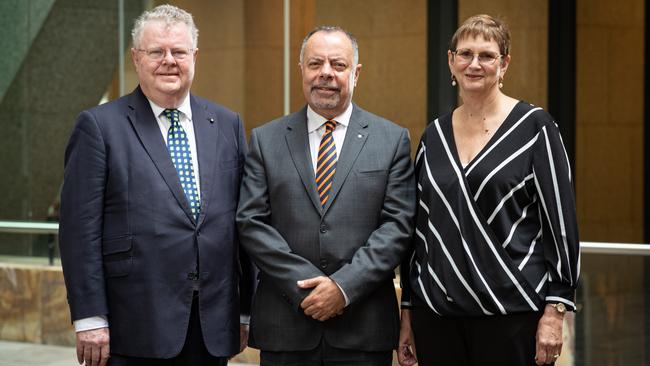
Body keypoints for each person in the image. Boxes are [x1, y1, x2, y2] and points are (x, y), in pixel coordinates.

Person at [59, 5, 253, 366]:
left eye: (179, 51)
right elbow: (78, 230)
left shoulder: (227, 124)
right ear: (136, 58)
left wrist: (244, 311)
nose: (169, 61)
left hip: (211, 325)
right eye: (156, 52)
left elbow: (246, 223)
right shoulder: (99, 127)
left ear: (194, 57)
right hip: (133, 324)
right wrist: (89, 318)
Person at [398, 14, 580, 366]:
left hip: (511, 315)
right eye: (465, 54)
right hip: (437, 315)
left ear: (504, 63)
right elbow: (417, 230)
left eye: (487, 55)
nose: (474, 64)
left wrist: (557, 310)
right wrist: (408, 309)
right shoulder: (433, 136)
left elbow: (561, 223)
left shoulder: (535, 128)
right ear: (451, 62)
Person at [236, 26, 415, 366]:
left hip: (363, 328)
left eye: (338, 64)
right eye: (316, 63)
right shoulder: (265, 139)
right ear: (301, 69)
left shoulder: (391, 140)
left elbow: (398, 226)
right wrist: (305, 288)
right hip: (286, 328)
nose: (326, 74)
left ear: (356, 73)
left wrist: (343, 288)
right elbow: (251, 222)